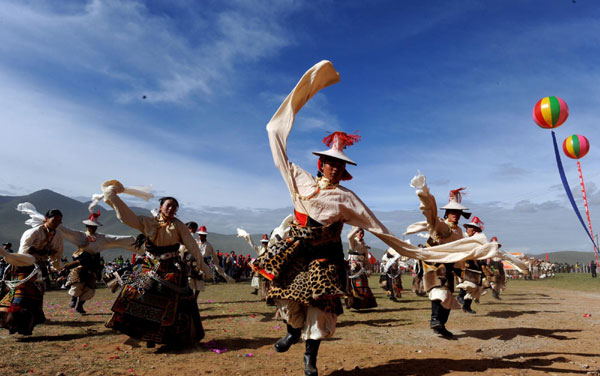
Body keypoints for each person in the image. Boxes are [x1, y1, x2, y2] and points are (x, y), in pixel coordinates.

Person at [252, 61, 500, 376]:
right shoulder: (299, 180)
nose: (335, 169)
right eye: (330, 163)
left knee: (318, 307)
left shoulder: (347, 199)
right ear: (322, 163)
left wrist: (412, 249)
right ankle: (291, 330)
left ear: (344, 171)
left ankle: (310, 360)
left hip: (325, 259)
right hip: (296, 250)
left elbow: (377, 228)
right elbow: (276, 141)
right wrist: (303, 94)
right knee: (286, 299)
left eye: (340, 166)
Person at [101, 180, 211, 348]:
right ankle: (139, 332)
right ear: (160, 207)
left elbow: (192, 246)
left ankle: (160, 336)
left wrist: (203, 266)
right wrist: (113, 197)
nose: (172, 209)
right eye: (169, 206)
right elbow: (126, 217)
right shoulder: (148, 222)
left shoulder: (178, 226)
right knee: (132, 292)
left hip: (170, 267)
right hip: (149, 264)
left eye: (175, 207)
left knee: (169, 299)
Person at [59, 210, 138, 314]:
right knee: (77, 285)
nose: (93, 228)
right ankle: (74, 298)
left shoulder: (100, 237)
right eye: (91, 226)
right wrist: (57, 225)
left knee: (89, 290)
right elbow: (68, 232)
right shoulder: (81, 236)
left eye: (95, 226)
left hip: (93, 265)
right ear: (87, 226)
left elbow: (114, 239)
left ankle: (80, 305)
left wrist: (131, 240)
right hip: (81, 263)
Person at [0, 207, 64, 335]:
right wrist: (39, 252)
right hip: (24, 266)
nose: (57, 223)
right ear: (46, 219)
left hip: (39, 268)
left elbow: (57, 252)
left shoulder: (58, 235)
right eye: (54, 220)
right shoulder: (33, 232)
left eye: (59, 221)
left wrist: (57, 264)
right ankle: (12, 322)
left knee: (35, 298)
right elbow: (24, 251)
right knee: (21, 295)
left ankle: (26, 326)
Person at [456, 216, 486, 314]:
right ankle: (460, 295)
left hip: (474, 263)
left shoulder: (479, 239)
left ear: (474, 230)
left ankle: (466, 306)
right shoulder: (464, 237)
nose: (467, 229)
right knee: (467, 282)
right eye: (467, 227)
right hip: (463, 262)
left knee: (475, 286)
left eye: (469, 227)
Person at [179, 222, 215, 302]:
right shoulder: (195, 242)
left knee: (199, 280)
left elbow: (210, 255)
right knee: (190, 278)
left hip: (202, 262)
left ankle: (195, 296)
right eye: (199, 235)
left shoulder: (208, 245)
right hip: (193, 262)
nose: (200, 236)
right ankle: (190, 295)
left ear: (205, 236)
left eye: (202, 235)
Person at [345, 227, 377, 309]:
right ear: (356, 233)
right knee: (352, 285)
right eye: (360, 233)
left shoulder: (364, 245)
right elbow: (349, 237)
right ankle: (351, 302)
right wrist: (357, 227)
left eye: (363, 233)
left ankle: (363, 303)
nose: (362, 235)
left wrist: (369, 269)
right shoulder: (353, 242)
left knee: (364, 285)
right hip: (354, 266)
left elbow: (366, 259)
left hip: (362, 267)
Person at [238, 230, 271, 297]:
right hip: (261, 266)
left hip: (268, 266)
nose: (264, 243)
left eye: (265, 242)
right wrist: (249, 239)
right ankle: (256, 290)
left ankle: (269, 294)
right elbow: (253, 246)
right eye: (263, 242)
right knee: (256, 276)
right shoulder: (260, 249)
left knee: (267, 280)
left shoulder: (270, 249)